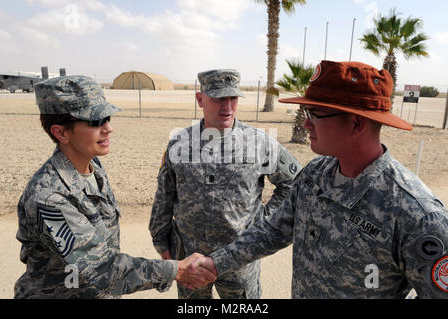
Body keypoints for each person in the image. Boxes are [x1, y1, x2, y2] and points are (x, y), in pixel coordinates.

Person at [192, 60, 448, 298]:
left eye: (315, 114)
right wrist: (215, 263)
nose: (306, 124)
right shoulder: (315, 174)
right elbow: (272, 231)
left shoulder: (416, 214)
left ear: (356, 124)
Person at [14, 75, 215, 299]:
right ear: (61, 132)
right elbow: (102, 269)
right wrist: (176, 270)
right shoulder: (48, 197)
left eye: (106, 118)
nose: (108, 128)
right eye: (94, 122)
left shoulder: (93, 167)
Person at [149, 69, 301, 299]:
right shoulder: (180, 144)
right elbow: (164, 195)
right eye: (219, 98)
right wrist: (161, 241)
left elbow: (294, 183)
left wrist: (263, 221)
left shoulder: (260, 143)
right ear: (200, 100)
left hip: (239, 259)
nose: (227, 107)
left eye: (233, 98)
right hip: (191, 261)